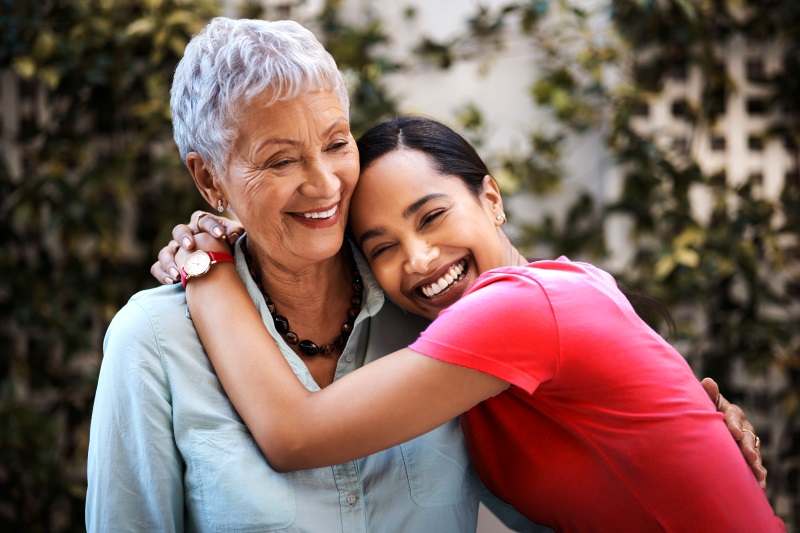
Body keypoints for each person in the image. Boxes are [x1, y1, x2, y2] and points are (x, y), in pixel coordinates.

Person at [159, 117, 784, 531]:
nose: (419, 259)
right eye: (383, 248)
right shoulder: (479, 344)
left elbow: (294, 435)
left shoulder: (520, 309)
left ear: (491, 198)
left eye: (431, 217)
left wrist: (208, 264)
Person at [87, 18, 514, 533]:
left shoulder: (426, 299)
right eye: (281, 160)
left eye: (337, 144)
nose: (324, 183)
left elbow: (557, 500)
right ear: (209, 178)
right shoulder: (153, 342)